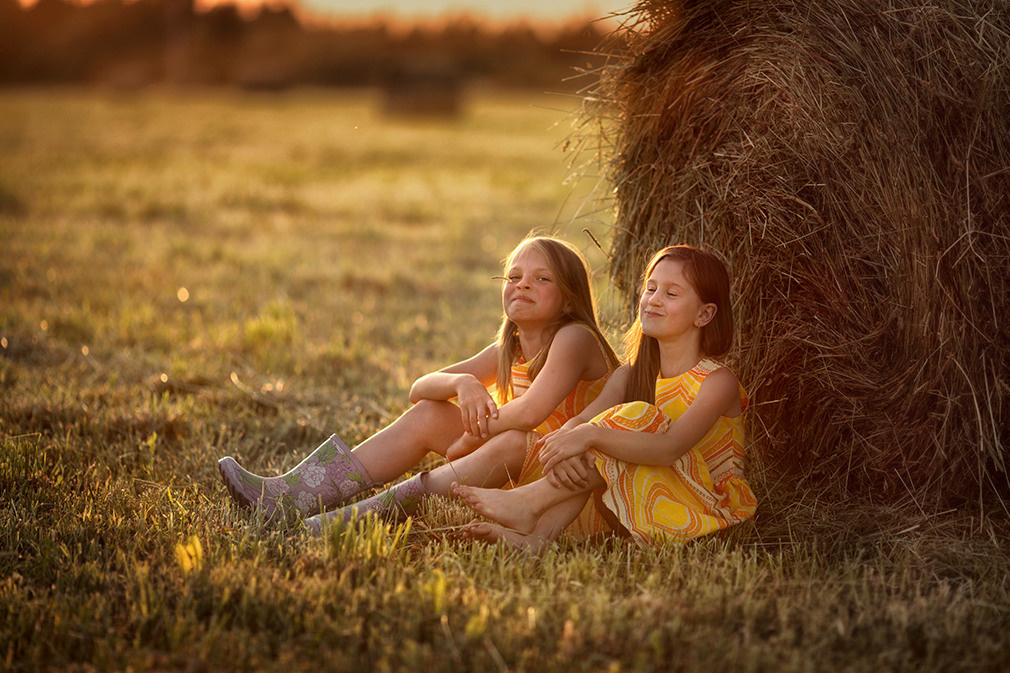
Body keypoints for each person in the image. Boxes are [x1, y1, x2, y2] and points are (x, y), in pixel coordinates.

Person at [217, 235, 620, 527]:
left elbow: (531, 412)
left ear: (569, 299)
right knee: (430, 413)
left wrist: (471, 439)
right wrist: (462, 385)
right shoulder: (508, 347)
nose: (523, 284)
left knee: (512, 440)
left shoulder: (574, 337)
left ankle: (348, 521)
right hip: (524, 466)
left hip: (570, 486)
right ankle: (287, 496)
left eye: (542, 279)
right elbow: (419, 389)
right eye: (514, 276)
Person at [451, 245, 757, 553]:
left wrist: (588, 435)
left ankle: (528, 503)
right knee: (592, 436)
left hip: (709, 507)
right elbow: (583, 420)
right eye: (650, 289)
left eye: (671, 294)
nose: (653, 300)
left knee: (637, 417)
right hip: (640, 498)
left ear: (704, 314)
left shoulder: (717, 382)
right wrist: (569, 439)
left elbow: (669, 448)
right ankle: (539, 538)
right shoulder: (629, 375)